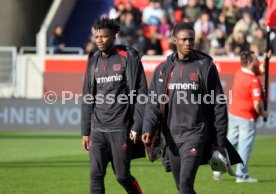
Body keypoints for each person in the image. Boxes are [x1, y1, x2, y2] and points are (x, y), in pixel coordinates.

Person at [141, 22, 242, 194]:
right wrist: (148, 127)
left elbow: (218, 104)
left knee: (186, 183)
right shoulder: (163, 69)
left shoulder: (205, 66)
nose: (188, 43)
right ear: (175, 41)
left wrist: (219, 141)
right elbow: (154, 103)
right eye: (184, 39)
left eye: (191, 39)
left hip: (196, 135)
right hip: (171, 139)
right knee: (182, 187)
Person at [81, 17, 147, 194]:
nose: (100, 40)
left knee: (122, 176)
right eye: (97, 37)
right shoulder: (92, 60)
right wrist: (85, 131)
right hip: (97, 129)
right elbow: (87, 97)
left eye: (104, 36)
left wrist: (137, 126)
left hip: (120, 129)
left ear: (114, 36)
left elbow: (142, 94)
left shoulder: (128, 58)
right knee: (95, 175)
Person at [213, 51, 270, 182]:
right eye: (256, 59)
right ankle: (242, 175)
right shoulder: (253, 80)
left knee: (230, 143)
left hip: (233, 114)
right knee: (245, 146)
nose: (258, 61)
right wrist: (263, 113)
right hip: (246, 117)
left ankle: (218, 166)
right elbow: (257, 105)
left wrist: (266, 60)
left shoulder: (240, 72)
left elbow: (261, 70)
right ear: (250, 62)